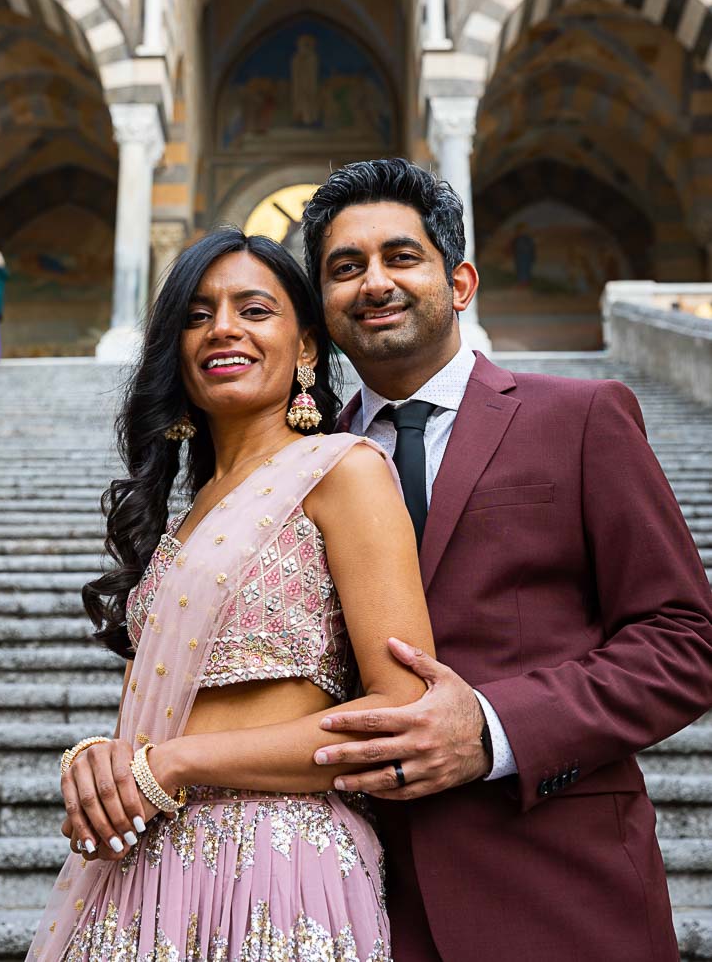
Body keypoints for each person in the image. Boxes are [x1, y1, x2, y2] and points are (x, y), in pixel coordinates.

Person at [299, 157, 712, 962]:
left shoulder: (582, 418)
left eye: (400, 256)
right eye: (343, 269)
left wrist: (491, 731)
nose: (372, 283)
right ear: (321, 305)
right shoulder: (303, 464)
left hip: (562, 889)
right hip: (360, 903)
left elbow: (683, 641)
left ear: (459, 283)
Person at [26, 228, 435, 962]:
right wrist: (99, 761)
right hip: (145, 866)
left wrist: (175, 765)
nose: (222, 328)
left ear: (305, 348)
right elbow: (150, 716)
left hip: (281, 862)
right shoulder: (184, 516)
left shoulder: (343, 472)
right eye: (196, 314)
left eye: (254, 309)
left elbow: (400, 712)